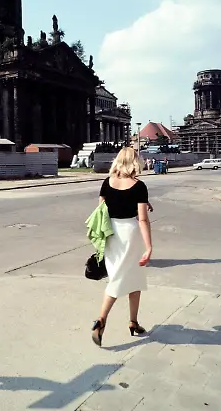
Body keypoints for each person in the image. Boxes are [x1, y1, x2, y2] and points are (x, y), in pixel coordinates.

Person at [91, 147, 153, 347]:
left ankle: (133, 322)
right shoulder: (139, 186)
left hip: (111, 235)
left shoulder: (107, 183)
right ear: (136, 162)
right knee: (121, 278)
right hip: (129, 233)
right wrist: (149, 247)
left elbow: (102, 211)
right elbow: (142, 219)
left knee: (131, 277)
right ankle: (101, 320)